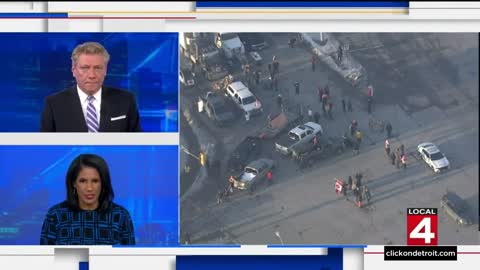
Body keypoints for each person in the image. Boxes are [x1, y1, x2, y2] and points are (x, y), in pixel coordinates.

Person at [40, 42, 142, 132]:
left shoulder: (126, 100)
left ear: (105, 70)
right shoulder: (54, 104)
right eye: (85, 68)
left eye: (98, 68)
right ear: (74, 70)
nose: (92, 75)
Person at [40, 154, 135, 245]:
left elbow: (131, 259)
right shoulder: (55, 215)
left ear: (103, 183)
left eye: (95, 181)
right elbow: (44, 259)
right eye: (83, 181)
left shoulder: (120, 215)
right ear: (74, 183)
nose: (89, 188)